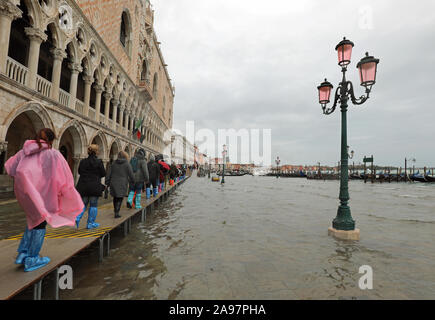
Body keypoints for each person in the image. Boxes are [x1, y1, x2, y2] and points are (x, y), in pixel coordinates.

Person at [4, 128, 83, 272]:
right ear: (52, 141)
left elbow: (10, 168)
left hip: (26, 195)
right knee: (40, 224)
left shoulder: (24, 152)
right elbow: (63, 177)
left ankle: (23, 253)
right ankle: (32, 258)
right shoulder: (53, 154)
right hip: (44, 195)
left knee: (32, 220)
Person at [75, 144, 106, 229]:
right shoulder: (99, 162)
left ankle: (77, 217)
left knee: (83, 204)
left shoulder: (83, 161)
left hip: (84, 185)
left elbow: (79, 172)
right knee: (93, 205)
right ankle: (90, 223)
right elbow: (103, 173)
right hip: (94, 186)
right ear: (96, 152)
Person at [105, 151, 134, 218]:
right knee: (120, 198)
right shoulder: (127, 164)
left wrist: (107, 182)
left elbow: (109, 173)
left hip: (113, 182)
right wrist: (133, 181)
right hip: (123, 183)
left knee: (115, 197)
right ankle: (117, 212)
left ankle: (115, 211)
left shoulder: (113, 163)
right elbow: (131, 174)